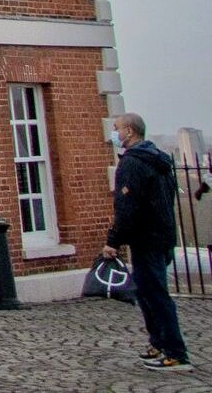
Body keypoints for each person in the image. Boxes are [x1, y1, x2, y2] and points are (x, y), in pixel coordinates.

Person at [105, 113, 191, 372]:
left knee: (155, 295)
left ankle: (176, 353)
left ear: (129, 131)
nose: (115, 133)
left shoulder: (132, 163)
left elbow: (127, 206)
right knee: (147, 293)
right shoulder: (158, 159)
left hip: (147, 238)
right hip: (163, 235)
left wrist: (113, 240)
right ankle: (159, 343)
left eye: (117, 128)